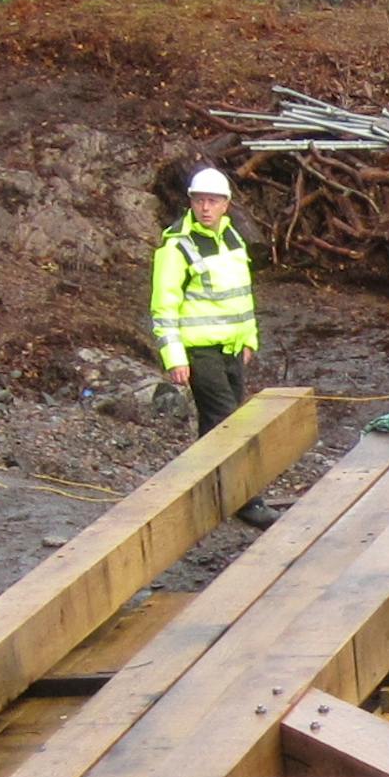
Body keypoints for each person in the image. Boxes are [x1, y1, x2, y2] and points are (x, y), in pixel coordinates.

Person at [150, 163, 277, 527]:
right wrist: (174, 356)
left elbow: (241, 295)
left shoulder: (232, 239)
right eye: (199, 201)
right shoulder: (177, 246)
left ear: (226, 204)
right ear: (191, 202)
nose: (206, 208)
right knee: (229, 422)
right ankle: (247, 500)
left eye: (213, 201)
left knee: (216, 424)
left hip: (231, 347)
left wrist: (248, 337)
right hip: (200, 351)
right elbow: (164, 306)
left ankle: (209, 495)